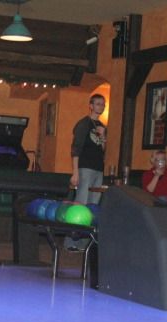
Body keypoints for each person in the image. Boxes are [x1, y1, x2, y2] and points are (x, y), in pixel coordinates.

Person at [65, 93, 107, 252]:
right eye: (98, 104)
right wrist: (75, 172)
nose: (100, 107)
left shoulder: (101, 126)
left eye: (102, 104)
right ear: (91, 105)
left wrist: (103, 136)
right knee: (80, 205)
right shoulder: (84, 124)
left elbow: (102, 150)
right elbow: (76, 148)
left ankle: (84, 244)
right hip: (85, 167)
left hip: (98, 168)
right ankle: (71, 242)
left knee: (92, 207)